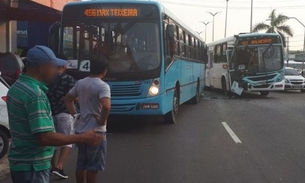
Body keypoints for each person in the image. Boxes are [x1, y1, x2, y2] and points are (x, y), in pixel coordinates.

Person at [7, 45, 103, 183]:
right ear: (42, 67)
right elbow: (45, 138)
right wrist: (83, 138)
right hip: (33, 166)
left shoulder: (17, 87)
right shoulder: (35, 95)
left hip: (20, 163)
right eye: (54, 66)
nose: (56, 71)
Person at [64, 56, 111, 183]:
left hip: (81, 130)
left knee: (81, 165)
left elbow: (68, 99)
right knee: (93, 167)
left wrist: (75, 114)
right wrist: (101, 120)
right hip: (96, 132)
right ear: (105, 70)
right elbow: (106, 106)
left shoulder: (80, 83)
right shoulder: (103, 86)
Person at [46, 54, 76, 179]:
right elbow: (73, 98)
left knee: (52, 141)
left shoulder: (47, 78)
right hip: (64, 114)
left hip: (49, 114)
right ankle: (59, 166)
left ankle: (52, 166)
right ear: (64, 65)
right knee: (67, 141)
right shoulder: (68, 79)